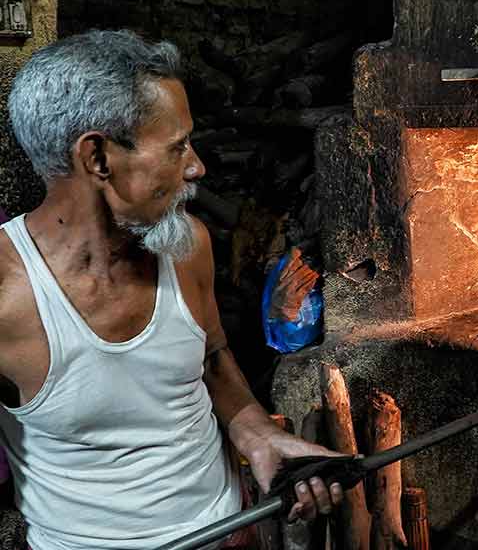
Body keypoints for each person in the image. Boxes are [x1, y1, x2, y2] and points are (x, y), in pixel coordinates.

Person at [0, 30, 343, 549]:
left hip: (226, 532)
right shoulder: (7, 293)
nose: (196, 167)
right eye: (177, 146)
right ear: (97, 158)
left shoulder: (188, 247)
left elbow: (209, 359)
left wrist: (257, 432)